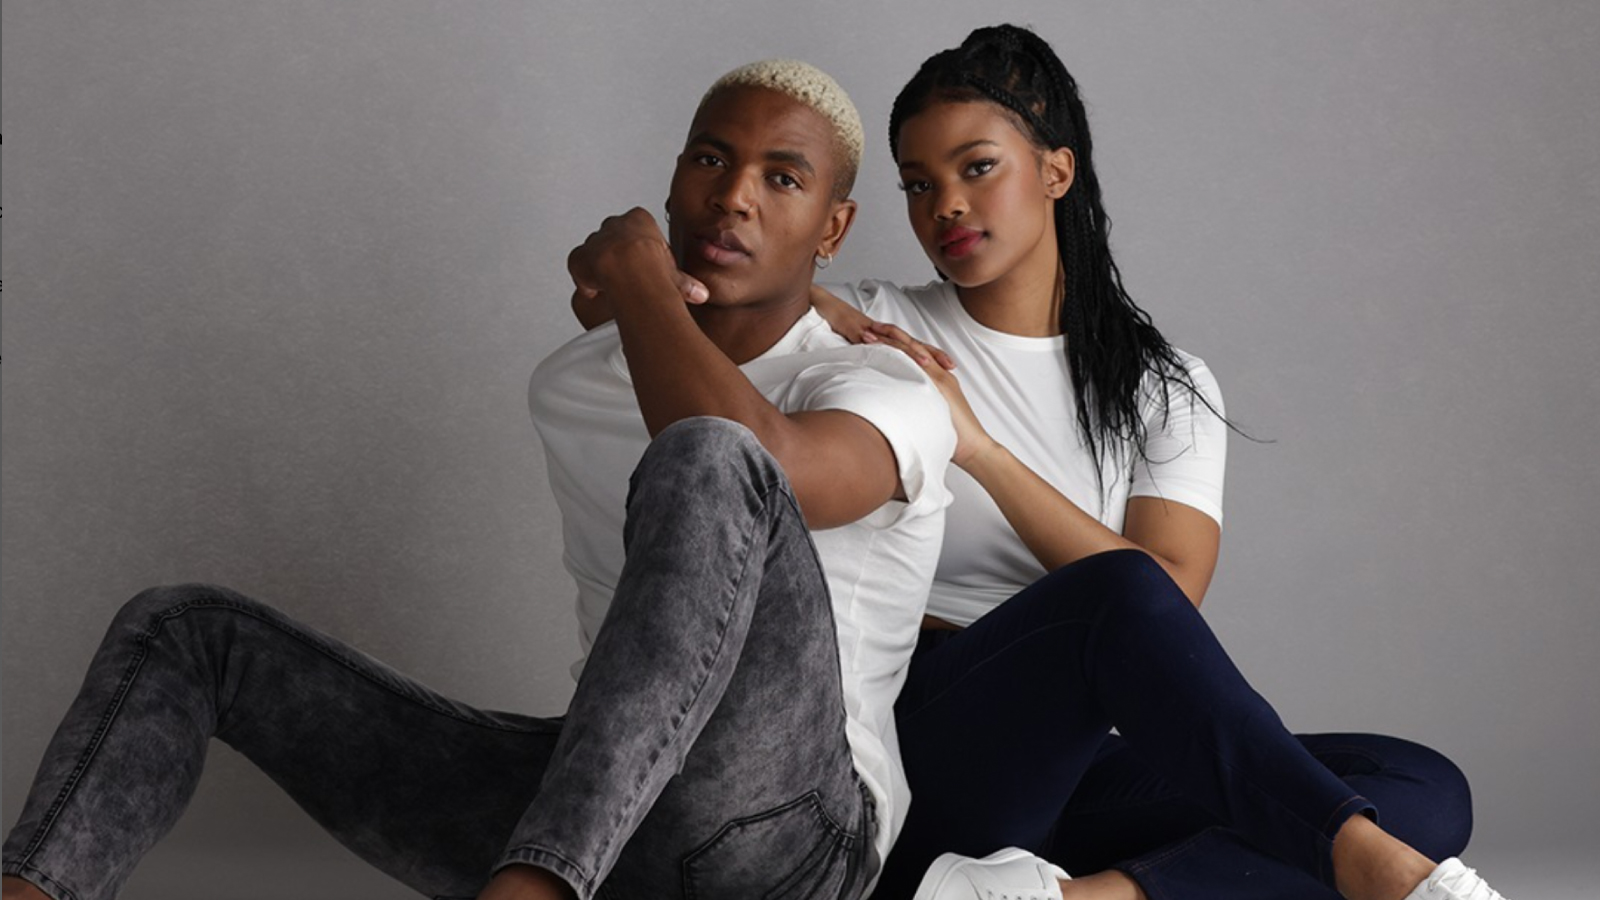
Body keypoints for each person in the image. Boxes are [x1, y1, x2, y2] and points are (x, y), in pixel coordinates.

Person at [573, 23, 1510, 900]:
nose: (946, 206)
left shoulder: (1166, 386)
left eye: (977, 168)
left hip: (1066, 758)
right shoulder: (866, 323)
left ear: (1057, 169)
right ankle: (1371, 877)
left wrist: (977, 447)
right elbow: (702, 301)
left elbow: (1170, 602)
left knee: (1419, 785)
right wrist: (645, 279)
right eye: (917, 183)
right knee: (1125, 607)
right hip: (907, 742)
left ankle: (1070, 897)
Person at [0, 60, 956, 900]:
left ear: (833, 227)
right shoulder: (578, 379)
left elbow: (759, 459)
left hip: (795, 842)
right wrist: (630, 289)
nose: (734, 196)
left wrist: (630, 273)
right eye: (710, 159)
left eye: (781, 178)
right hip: (606, 814)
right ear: (673, 177)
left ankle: (538, 887)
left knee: (710, 456)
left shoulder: (884, 388)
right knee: (187, 632)